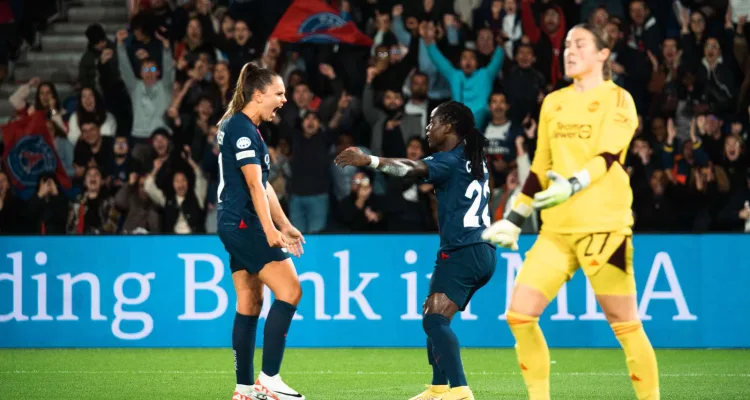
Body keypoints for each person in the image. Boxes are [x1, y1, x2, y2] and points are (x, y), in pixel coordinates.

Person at [482, 24, 659, 400]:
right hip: (556, 231)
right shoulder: (553, 102)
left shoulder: (619, 99)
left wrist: (572, 184)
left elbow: (608, 155)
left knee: (624, 324)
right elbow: (540, 165)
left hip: (604, 228)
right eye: (565, 45)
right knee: (519, 314)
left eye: (579, 44)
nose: (569, 50)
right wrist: (515, 219)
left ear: (603, 54)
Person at [336, 101, 496, 400]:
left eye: (433, 121)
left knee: (434, 321)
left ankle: (460, 391)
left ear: (448, 126)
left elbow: (410, 167)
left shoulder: (448, 160)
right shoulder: (474, 159)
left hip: (462, 249)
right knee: (434, 315)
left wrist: (368, 160)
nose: (427, 127)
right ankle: (438, 389)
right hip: (480, 249)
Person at [216, 62, 306, 400]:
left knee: (251, 302)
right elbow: (254, 185)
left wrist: (285, 225)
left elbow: (264, 185)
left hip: (233, 222)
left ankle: (244, 389)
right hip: (245, 223)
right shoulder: (241, 128)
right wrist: (270, 230)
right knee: (291, 291)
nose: (284, 100)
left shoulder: (241, 126)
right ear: (258, 94)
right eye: (279, 93)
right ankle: (269, 380)